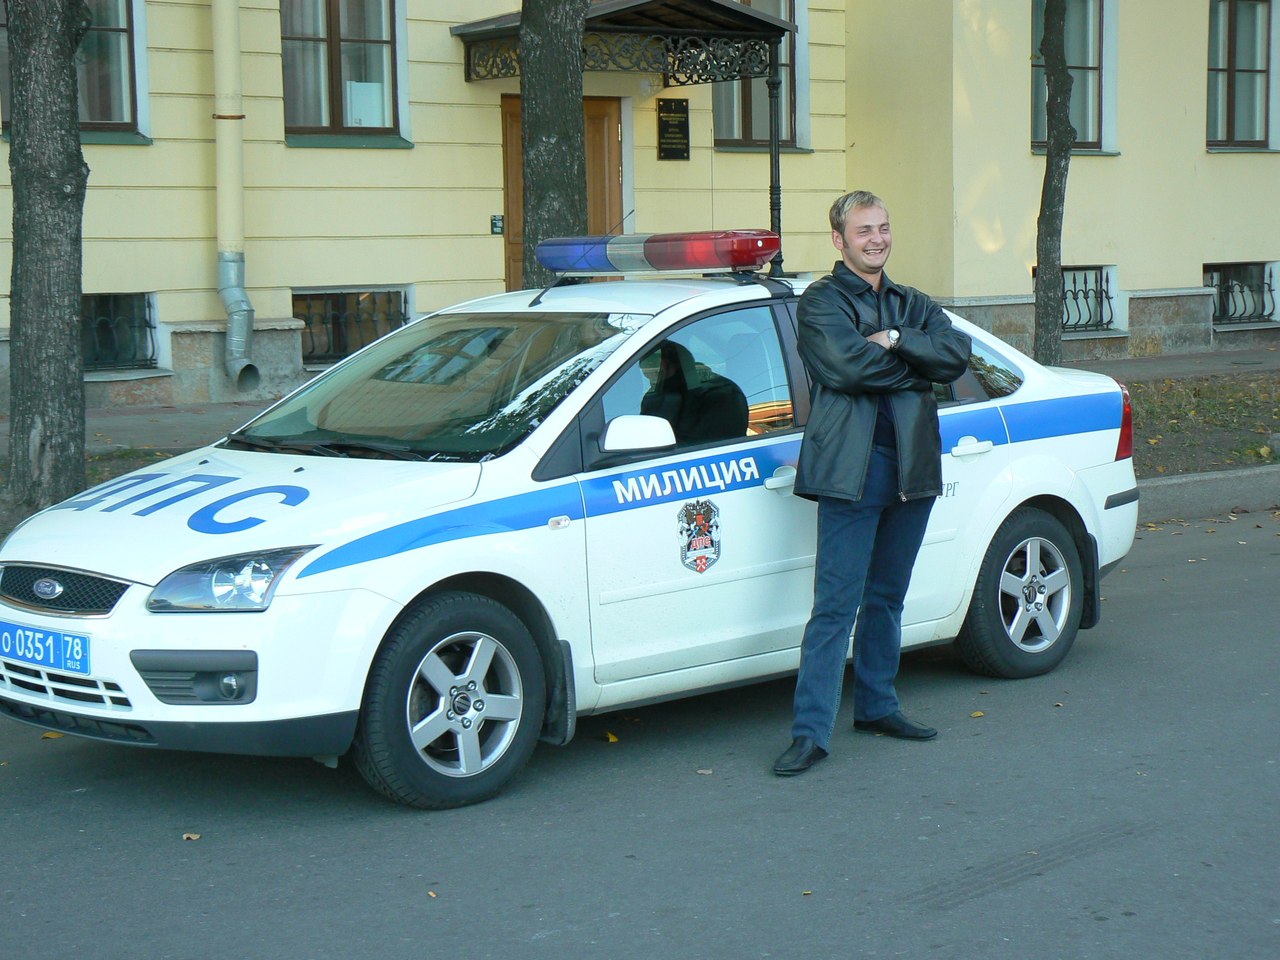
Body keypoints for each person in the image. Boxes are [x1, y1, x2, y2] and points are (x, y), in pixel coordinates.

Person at [774, 191, 972, 777]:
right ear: (839, 240)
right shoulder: (821, 301)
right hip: (851, 471)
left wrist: (897, 340)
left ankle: (878, 706)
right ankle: (810, 733)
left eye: (883, 227)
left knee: (887, 597)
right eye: (863, 231)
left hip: (912, 469)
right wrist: (917, 368)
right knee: (835, 607)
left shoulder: (914, 302)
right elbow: (845, 367)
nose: (877, 239)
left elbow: (954, 357)